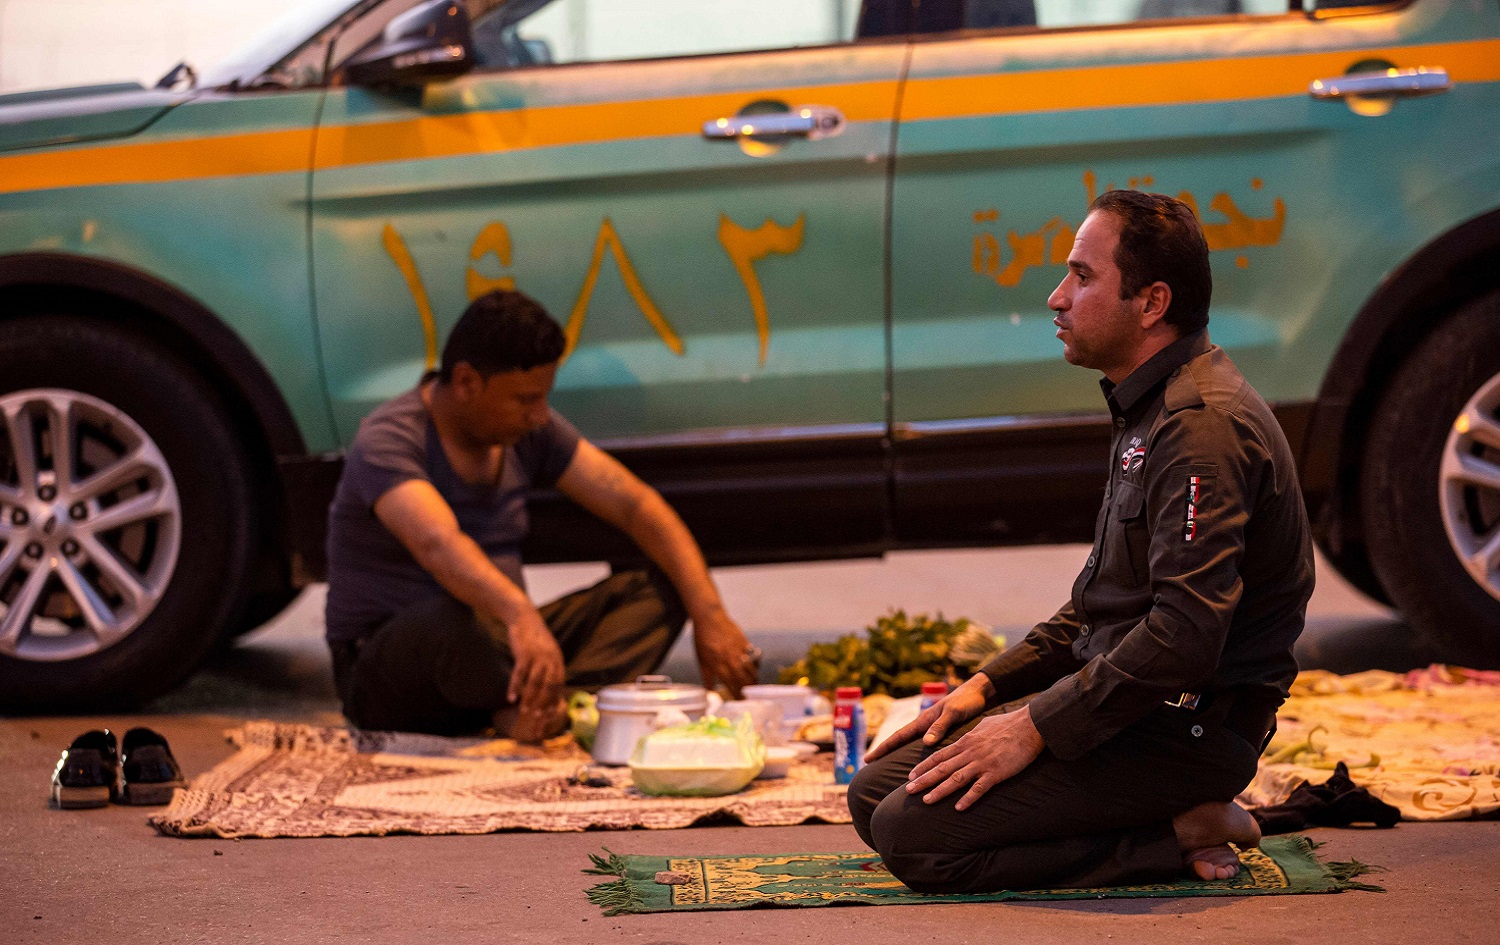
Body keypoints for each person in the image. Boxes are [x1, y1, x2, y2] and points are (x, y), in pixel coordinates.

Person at [849, 190, 1315, 891]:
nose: (1055, 297)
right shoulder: (1147, 405)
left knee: (914, 840)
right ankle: (1147, 814)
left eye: (1082, 277)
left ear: (1152, 302)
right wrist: (988, 686)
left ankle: (1184, 827)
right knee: (876, 789)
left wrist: (1033, 725)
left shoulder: (1200, 430)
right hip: (1125, 705)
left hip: (1190, 729)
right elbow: (1100, 608)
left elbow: (1185, 635)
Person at [324, 289, 757, 741]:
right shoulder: (388, 439)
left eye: (544, 398)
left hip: (500, 643)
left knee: (661, 588)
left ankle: (552, 706)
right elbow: (439, 544)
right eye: (526, 400)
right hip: (396, 663)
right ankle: (525, 704)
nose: (539, 415)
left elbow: (636, 505)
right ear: (468, 382)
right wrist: (521, 616)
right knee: (456, 621)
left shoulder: (530, 431)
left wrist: (710, 615)